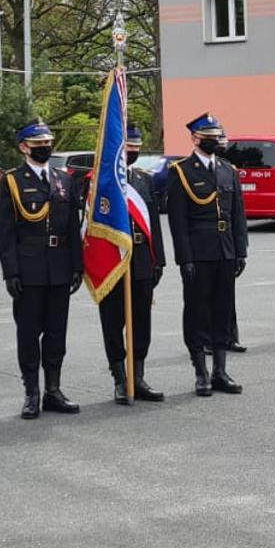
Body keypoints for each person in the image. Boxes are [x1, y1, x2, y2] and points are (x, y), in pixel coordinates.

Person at [0, 119, 86, 419]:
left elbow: (74, 225)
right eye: (38, 144)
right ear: (24, 147)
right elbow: (4, 232)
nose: (45, 147)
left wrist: (77, 266)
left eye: (48, 143)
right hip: (29, 270)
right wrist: (11, 272)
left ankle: (53, 390)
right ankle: (31, 392)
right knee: (29, 333)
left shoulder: (64, 179)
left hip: (59, 268)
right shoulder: (11, 181)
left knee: (57, 332)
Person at [168, 113, 247, 395]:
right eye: (208, 137)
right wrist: (184, 258)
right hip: (199, 252)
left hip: (225, 249)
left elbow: (238, 214)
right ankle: (200, 371)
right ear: (195, 139)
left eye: (216, 136)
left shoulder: (228, 170)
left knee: (222, 310)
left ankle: (220, 371)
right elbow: (178, 221)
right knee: (197, 310)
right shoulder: (181, 171)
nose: (214, 141)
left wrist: (240, 251)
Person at [99, 126, 166, 404]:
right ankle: (119, 377)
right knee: (114, 321)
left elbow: (154, 224)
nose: (133, 151)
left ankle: (137, 376)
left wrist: (158, 259)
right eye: (129, 146)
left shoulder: (143, 180)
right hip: (112, 258)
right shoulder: (102, 180)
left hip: (140, 259)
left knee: (141, 322)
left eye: (137, 146)